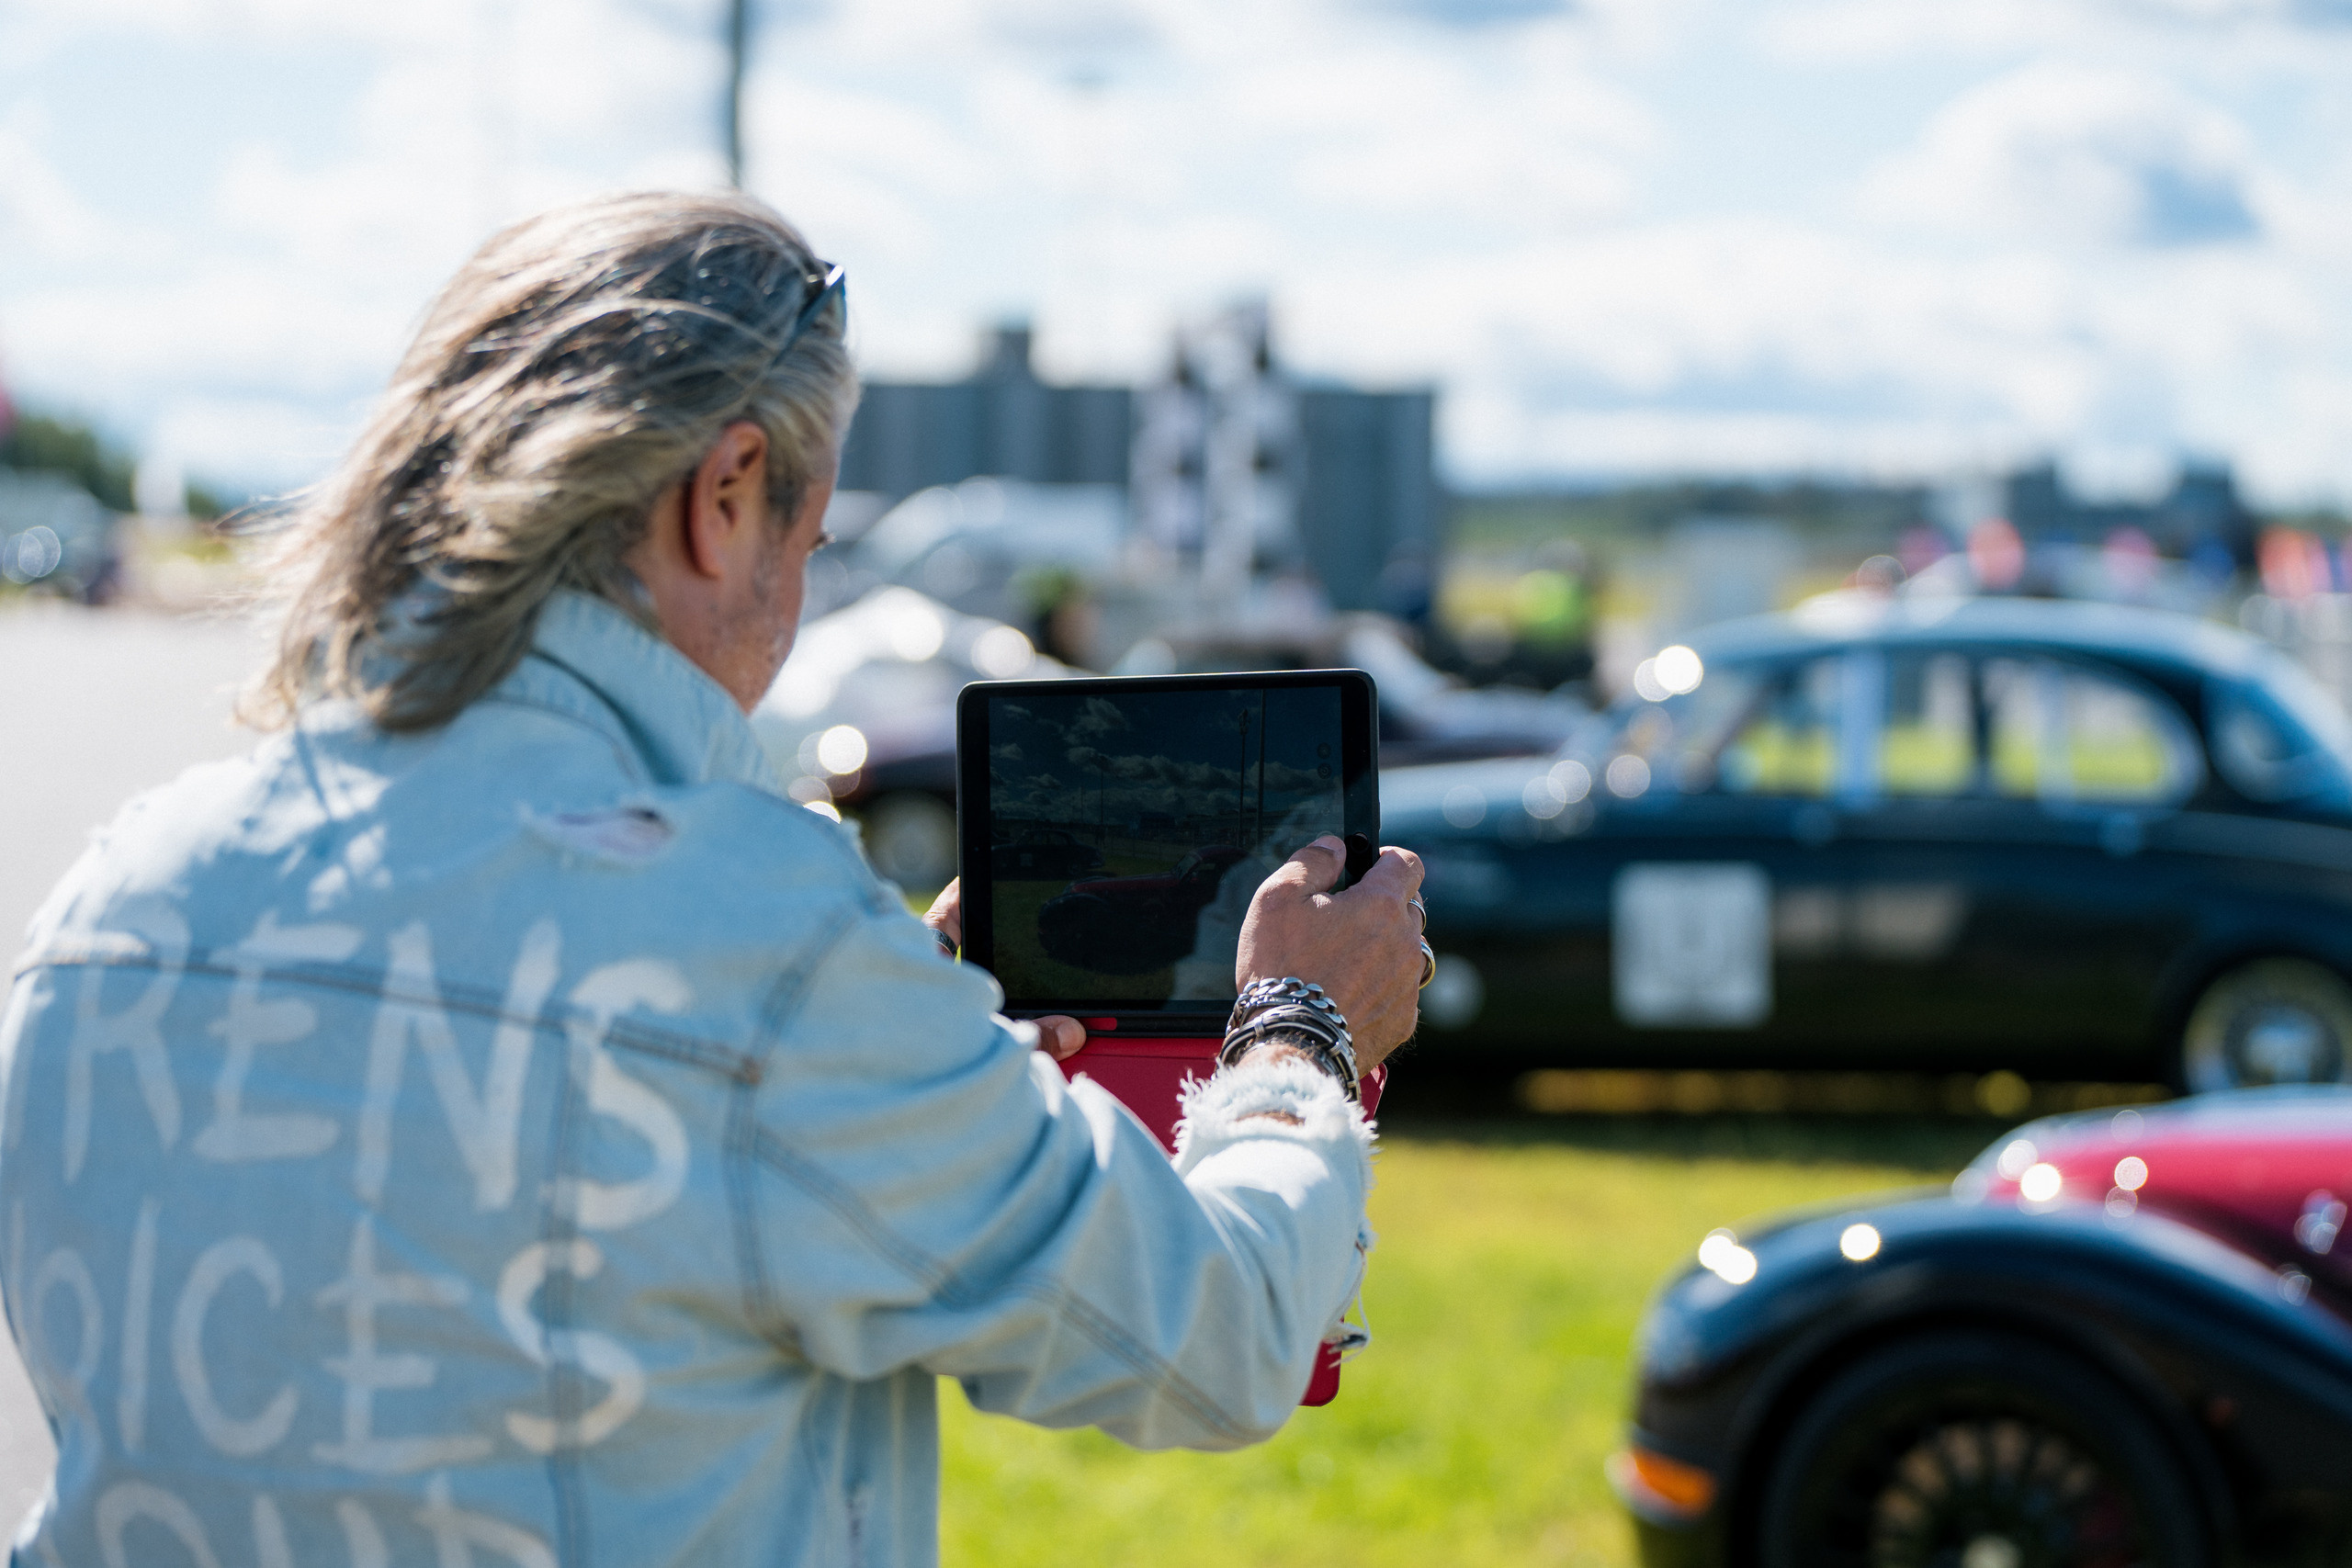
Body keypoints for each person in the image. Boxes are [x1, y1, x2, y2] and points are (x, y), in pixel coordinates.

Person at [0, 191, 1426, 1568]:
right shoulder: (761, 952)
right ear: (726, 494)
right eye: (809, 547)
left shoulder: (109, 906)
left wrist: (893, 1027)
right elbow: (1217, 1338)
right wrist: (1299, 1022)